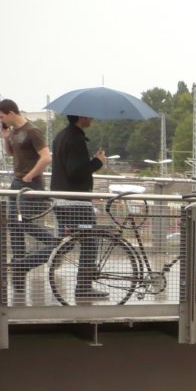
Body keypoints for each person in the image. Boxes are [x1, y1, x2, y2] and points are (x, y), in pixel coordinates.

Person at [0, 99, 53, 297]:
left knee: (24, 223)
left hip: (30, 184)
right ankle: (19, 270)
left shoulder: (32, 131)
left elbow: (46, 157)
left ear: (11, 113)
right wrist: (5, 136)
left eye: (2, 117)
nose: (1, 120)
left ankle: (56, 244)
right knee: (14, 225)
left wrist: (29, 176)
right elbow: (11, 153)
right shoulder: (15, 132)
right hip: (17, 182)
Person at [51, 114, 109, 299]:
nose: (92, 118)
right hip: (76, 202)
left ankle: (24, 265)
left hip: (62, 199)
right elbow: (75, 171)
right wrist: (98, 162)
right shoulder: (75, 139)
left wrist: (90, 161)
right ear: (81, 116)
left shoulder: (62, 135)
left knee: (65, 243)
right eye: (89, 115)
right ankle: (83, 287)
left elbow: (72, 166)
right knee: (90, 241)